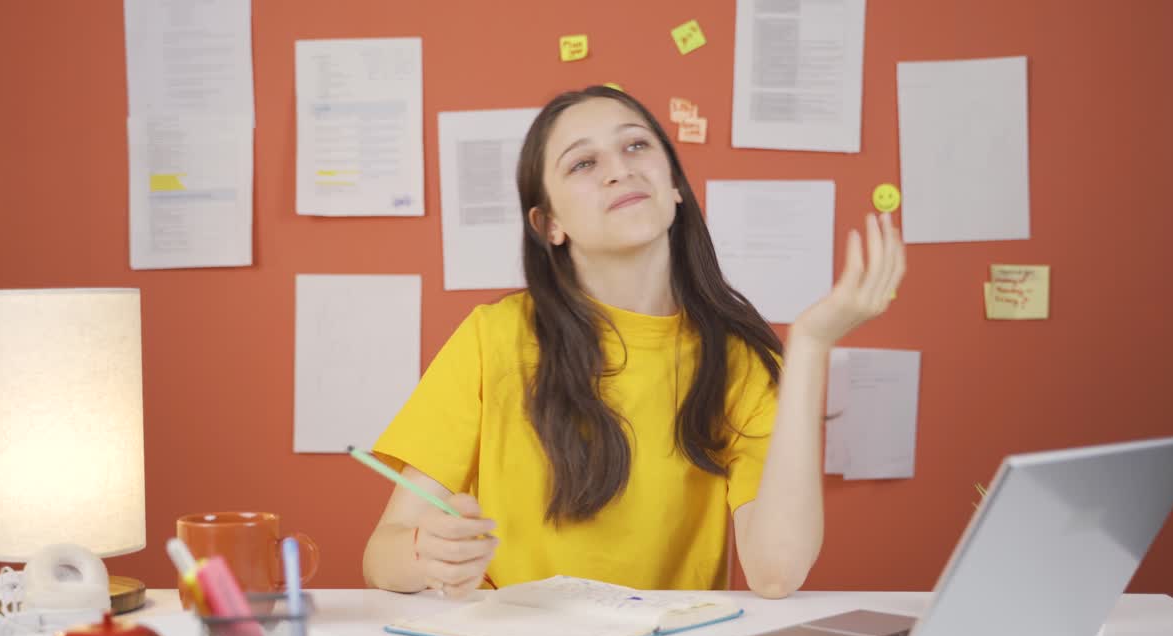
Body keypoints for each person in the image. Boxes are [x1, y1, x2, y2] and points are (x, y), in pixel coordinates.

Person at [362, 86, 905, 599]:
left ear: (672, 185)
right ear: (548, 223)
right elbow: (382, 556)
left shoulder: (739, 361)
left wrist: (810, 346)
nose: (619, 170)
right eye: (583, 163)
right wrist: (427, 553)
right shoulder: (492, 337)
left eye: (636, 145)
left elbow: (776, 571)